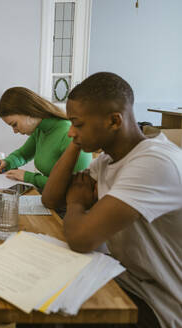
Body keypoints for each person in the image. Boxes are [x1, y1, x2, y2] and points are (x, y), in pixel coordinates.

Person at [41, 72, 182, 328]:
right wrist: (77, 141)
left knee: (51, 317)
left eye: (78, 124)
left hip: (161, 303)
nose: (70, 132)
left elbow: (81, 239)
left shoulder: (153, 162)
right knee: (40, 305)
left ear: (114, 121)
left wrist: (75, 204)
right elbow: (50, 198)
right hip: (126, 279)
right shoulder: (109, 158)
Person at [0, 87, 91, 190]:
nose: (15, 131)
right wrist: (7, 162)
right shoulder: (40, 129)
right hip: (47, 196)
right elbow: (23, 154)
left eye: (14, 124)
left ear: (29, 112)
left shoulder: (69, 136)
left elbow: (72, 185)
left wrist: (29, 177)